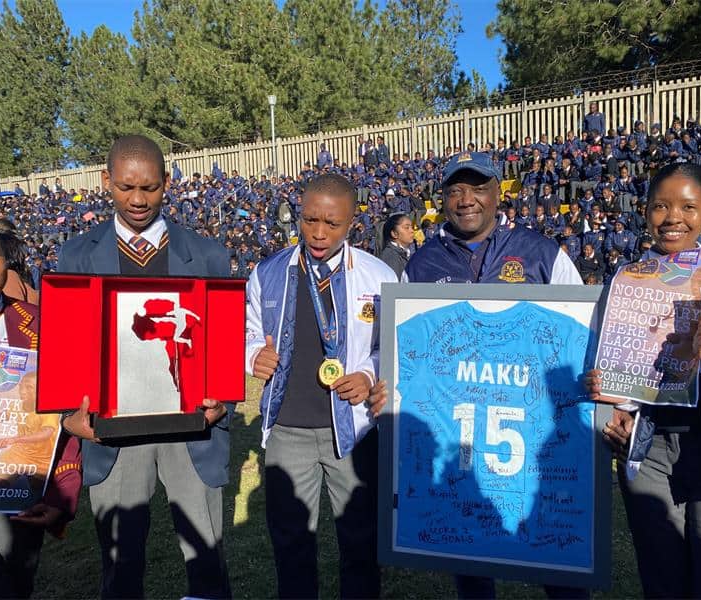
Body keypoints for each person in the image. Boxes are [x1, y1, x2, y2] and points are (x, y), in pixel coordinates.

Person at [389, 151, 585, 599]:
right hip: (461, 429)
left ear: (500, 193)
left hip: (532, 430)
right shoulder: (421, 265)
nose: (466, 200)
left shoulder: (541, 254)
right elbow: (407, 353)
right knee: (469, 543)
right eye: (455, 190)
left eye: (478, 187)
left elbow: (580, 336)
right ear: (442, 198)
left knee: (556, 544)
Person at [587, 162, 701, 598]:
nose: (674, 217)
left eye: (689, 207)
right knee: (663, 584)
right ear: (646, 211)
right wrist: (612, 404)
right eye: (661, 206)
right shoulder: (627, 279)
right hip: (648, 454)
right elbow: (611, 367)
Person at [58, 135, 232, 599]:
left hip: (191, 430)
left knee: (207, 563)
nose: (138, 199)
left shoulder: (209, 254)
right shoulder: (74, 256)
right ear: (105, 182)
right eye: (126, 187)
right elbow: (65, 345)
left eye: (150, 188)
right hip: (113, 433)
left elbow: (223, 342)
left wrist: (222, 401)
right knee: (120, 567)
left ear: (167, 183)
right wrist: (68, 417)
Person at [245, 174, 397, 598]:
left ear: (352, 222)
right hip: (287, 431)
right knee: (291, 546)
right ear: (298, 213)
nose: (318, 232)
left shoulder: (378, 275)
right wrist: (253, 352)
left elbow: (396, 347)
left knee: (361, 543)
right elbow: (249, 330)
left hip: (353, 431)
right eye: (309, 219)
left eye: (332, 223)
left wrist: (368, 373)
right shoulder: (267, 272)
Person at [0, 217, 81, 599]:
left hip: (18, 488)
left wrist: (61, 491)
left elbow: (63, 415)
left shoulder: (38, 326)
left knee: (17, 587)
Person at [379, 213, 415, 279]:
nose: (412, 231)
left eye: (412, 227)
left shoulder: (403, 253)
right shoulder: (391, 256)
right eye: (407, 228)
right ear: (394, 234)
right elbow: (393, 287)